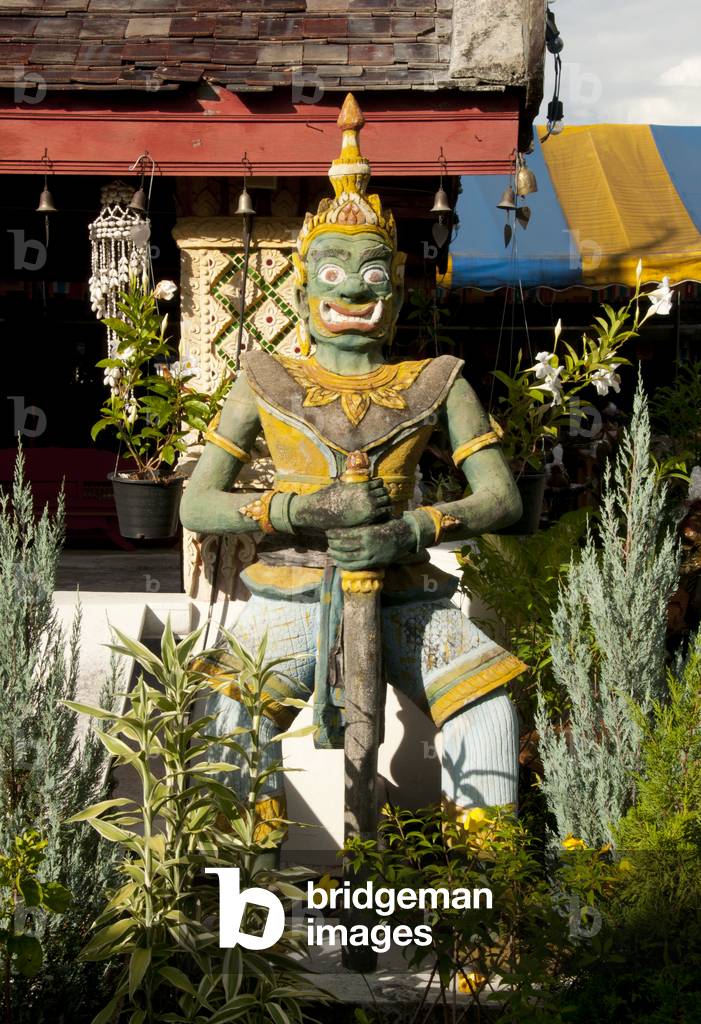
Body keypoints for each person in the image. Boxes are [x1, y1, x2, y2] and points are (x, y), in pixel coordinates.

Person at [180, 93, 526, 833]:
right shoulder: (264, 380)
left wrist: (408, 532)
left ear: (397, 293)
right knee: (226, 714)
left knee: (487, 704)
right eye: (332, 273)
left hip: (406, 595)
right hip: (292, 593)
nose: (353, 292)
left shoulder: (436, 380)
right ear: (302, 293)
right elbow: (196, 505)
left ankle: (487, 927)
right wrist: (298, 511)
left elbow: (500, 498)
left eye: (373, 275)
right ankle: (246, 893)